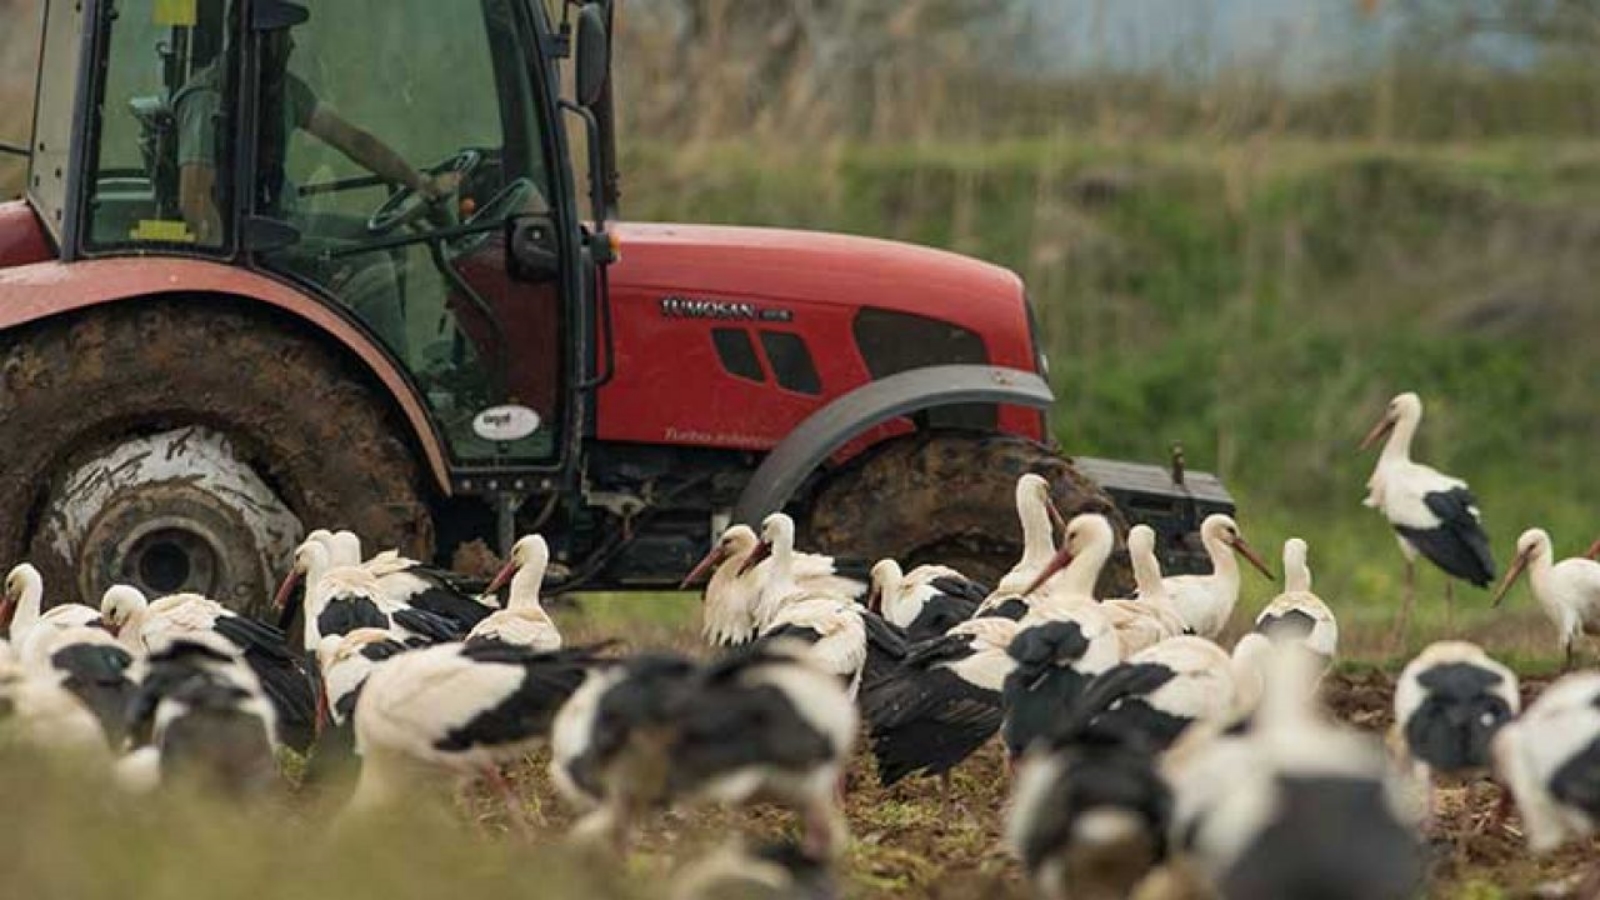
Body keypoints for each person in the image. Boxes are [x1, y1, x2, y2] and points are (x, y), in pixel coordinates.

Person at [175, 18, 452, 350]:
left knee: (390, 238)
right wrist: (227, 285)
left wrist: (416, 179)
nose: (291, 44)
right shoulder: (207, 98)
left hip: (282, 221)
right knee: (370, 264)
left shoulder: (283, 91)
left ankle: (390, 350)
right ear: (257, 35)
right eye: (283, 33)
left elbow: (353, 141)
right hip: (249, 246)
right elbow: (195, 201)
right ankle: (388, 377)